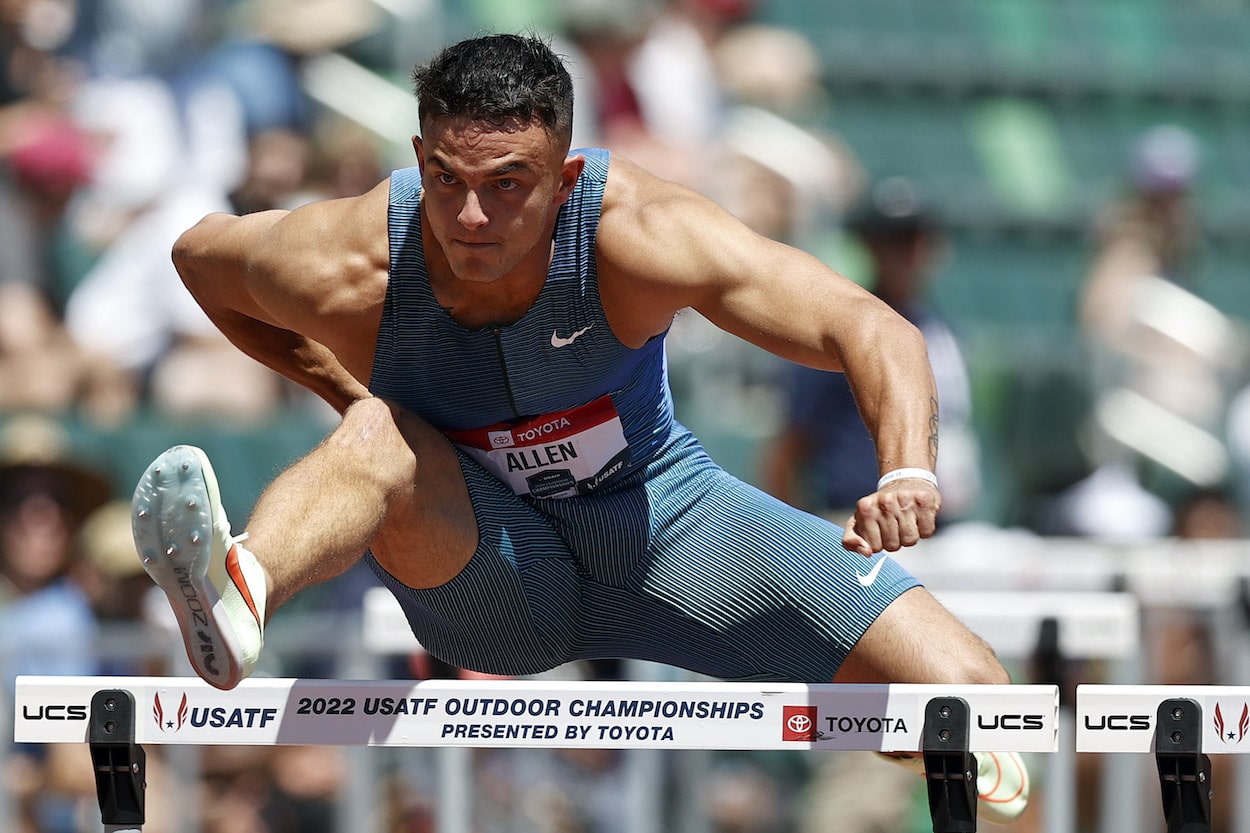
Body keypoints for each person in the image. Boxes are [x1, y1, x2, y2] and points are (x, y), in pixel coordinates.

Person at [129, 33, 1028, 823]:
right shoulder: (358, 254)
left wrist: (908, 470)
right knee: (377, 435)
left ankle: (905, 735)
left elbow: (870, 325)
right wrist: (342, 387)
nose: (471, 217)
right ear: (418, 156)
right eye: (447, 180)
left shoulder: (636, 232)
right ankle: (241, 589)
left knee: (981, 697)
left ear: (564, 181)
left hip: (665, 525)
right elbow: (198, 257)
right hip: (487, 571)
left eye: (507, 185)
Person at [761, 177, 980, 522]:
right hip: (860, 523)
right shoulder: (845, 329)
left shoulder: (943, 330)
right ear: (867, 244)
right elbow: (789, 449)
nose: (902, 253)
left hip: (942, 525)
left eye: (910, 238)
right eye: (889, 240)